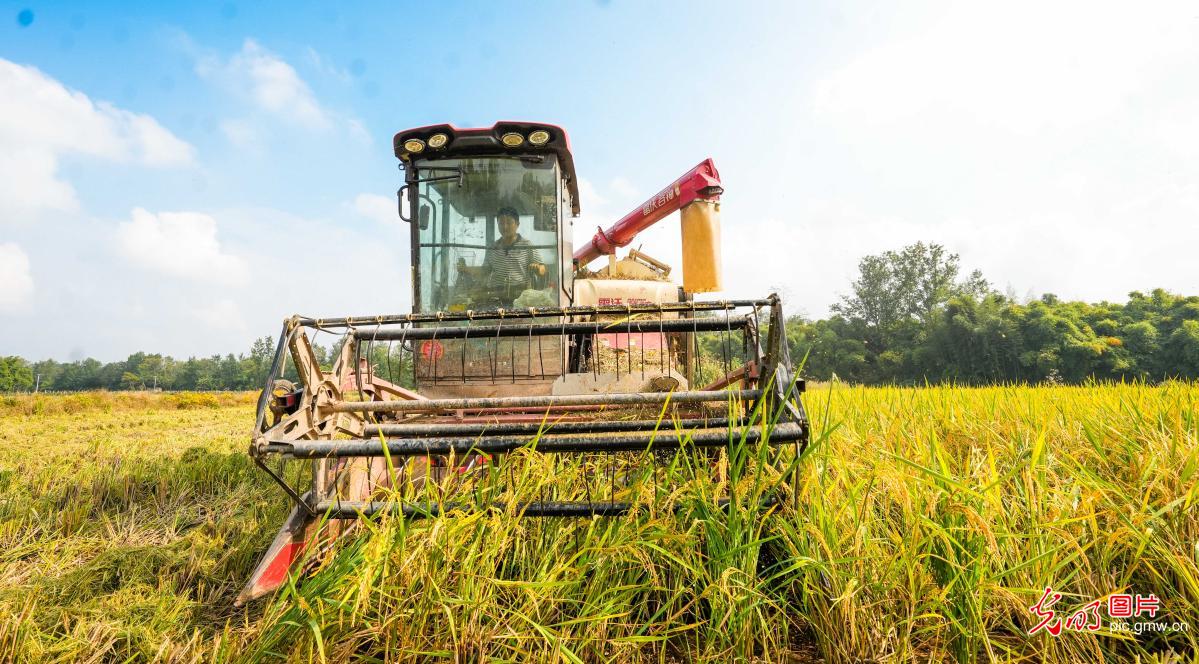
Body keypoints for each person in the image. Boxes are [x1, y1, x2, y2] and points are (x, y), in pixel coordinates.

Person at [457, 207, 547, 304]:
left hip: (520, 297)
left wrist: (538, 268)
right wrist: (465, 269)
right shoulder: (493, 247)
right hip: (496, 296)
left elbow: (543, 268)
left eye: (509, 222)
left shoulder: (527, 245)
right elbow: (484, 271)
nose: (505, 227)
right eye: (501, 223)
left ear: (517, 224)